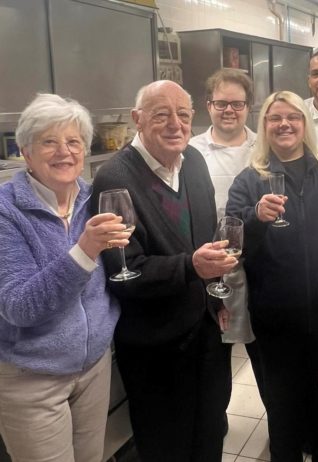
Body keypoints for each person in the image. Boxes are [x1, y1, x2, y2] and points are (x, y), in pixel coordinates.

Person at [90, 80, 237, 462]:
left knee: (210, 432)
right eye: (161, 115)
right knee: (166, 446)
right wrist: (190, 266)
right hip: (155, 346)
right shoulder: (114, 179)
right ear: (137, 119)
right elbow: (124, 273)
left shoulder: (194, 163)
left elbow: (206, 238)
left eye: (183, 114)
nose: (175, 124)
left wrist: (216, 294)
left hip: (205, 333)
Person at [226, 90, 318, 462]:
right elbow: (231, 246)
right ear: (264, 126)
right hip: (276, 318)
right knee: (283, 413)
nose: (284, 124)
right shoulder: (249, 181)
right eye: (275, 118)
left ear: (305, 124)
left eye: (293, 117)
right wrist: (256, 218)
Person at [0, 93, 125, 462]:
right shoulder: (6, 211)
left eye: (73, 141)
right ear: (26, 152)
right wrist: (84, 251)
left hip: (94, 367)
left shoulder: (94, 198)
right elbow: (18, 306)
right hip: (31, 377)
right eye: (49, 142)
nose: (64, 152)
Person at [189, 68, 265, 401]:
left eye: (237, 104)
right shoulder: (191, 151)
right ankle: (216, 421)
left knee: (265, 360)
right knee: (214, 365)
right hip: (210, 270)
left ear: (249, 107)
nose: (229, 110)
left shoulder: (263, 147)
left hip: (259, 267)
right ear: (209, 105)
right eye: (221, 103)